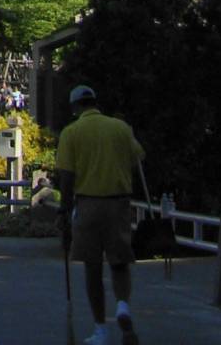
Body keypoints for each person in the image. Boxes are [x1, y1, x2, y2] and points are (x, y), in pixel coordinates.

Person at [56, 84, 143, 345]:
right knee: (119, 262)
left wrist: (64, 209)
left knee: (92, 268)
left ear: (75, 107)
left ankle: (101, 329)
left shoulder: (71, 133)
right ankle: (123, 307)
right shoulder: (120, 128)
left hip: (88, 204)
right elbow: (136, 160)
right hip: (118, 203)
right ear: (95, 102)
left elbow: (67, 176)